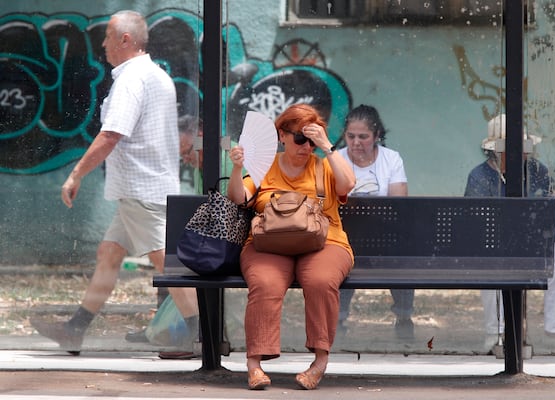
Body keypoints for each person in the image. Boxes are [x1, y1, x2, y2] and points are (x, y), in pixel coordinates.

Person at [29, 10, 199, 358]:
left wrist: (76, 174)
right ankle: (74, 329)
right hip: (141, 187)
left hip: (142, 188)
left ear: (125, 39)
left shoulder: (132, 79)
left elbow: (111, 135)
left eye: (107, 36)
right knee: (109, 253)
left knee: (166, 262)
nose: (103, 43)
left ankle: (200, 335)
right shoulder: (153, 74)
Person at [226, 104, 355, 390]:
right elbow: (238, 197)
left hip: (325, 242)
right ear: (282, 135)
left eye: (311, 140)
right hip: (268, 242)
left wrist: (328, 147)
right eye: (300, 138)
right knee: (265, 283)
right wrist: (237, 168)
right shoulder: (264, 165)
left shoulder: (324, 165)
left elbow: (348, 185)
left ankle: (320, 362)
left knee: (321, 281)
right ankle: (254, 365)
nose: (306, 146)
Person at [464, 114, 555, 352]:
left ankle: (554, 332)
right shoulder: (479, 176)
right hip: (494, 247)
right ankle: (495, 332)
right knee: (487, 261)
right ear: (496, 150)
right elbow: (474, 224)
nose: (525, 153)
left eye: (525, 147)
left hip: (533, 245)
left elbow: (552, 217)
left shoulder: (538, 171)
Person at [336, 105, 414, 339]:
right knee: (338, 260)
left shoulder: (391, 159)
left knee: (403, 256)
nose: (356, 143)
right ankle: (337, 321)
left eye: (363, 137)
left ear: (377, 136)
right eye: (351, 136)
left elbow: (398, 205)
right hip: (345, 235)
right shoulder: (336, 159)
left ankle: (403, 317)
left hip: (385, 235)